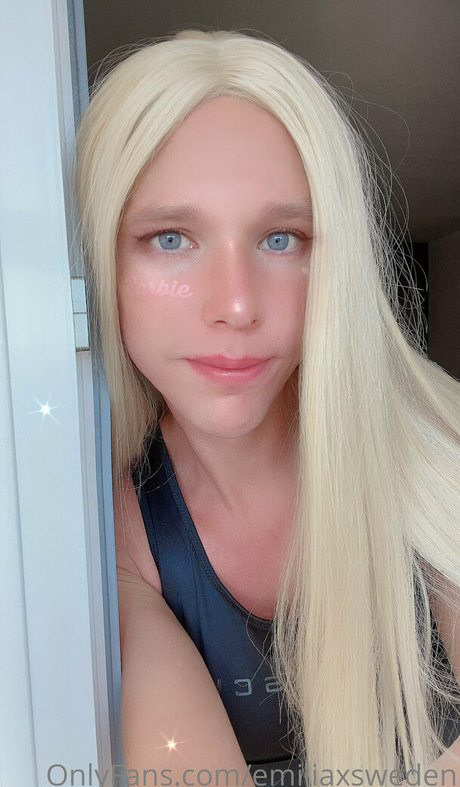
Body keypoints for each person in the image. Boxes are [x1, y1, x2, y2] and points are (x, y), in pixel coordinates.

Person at [75, 28, 460, 787]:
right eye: (171, 238)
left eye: (282, 238)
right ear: (101, 260)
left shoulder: (431, 447)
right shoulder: (116, 535)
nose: (237, 304)